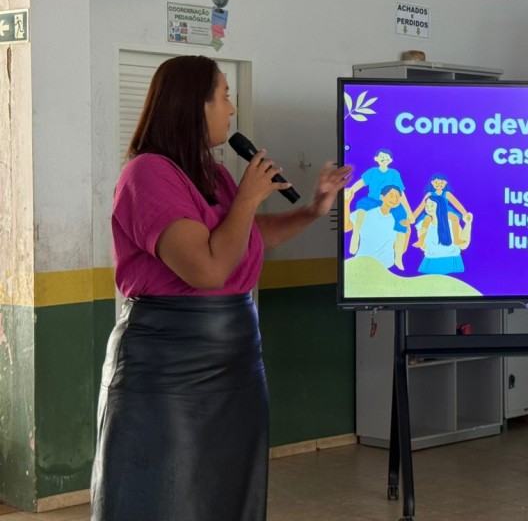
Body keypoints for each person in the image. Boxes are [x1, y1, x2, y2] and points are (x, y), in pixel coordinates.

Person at [91, 55, 353, 521]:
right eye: (224, 96)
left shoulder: (214, 175)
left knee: (229, 496)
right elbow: (209, 269)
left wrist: (313, 209)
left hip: (236, 361)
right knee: (162, 497)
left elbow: (244, 238)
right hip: (168, 369)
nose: (232, 110)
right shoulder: (147, 174)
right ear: (193, 104)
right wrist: (249, 198)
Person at [344, 149, 413, 269]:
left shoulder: (394, 174)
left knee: (402, 222)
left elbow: (400, 193)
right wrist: (351, 191)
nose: (384, 159)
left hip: (391, 203)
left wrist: (409, 212)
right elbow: (360, 183)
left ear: (391, 160)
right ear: (376, 159)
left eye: (387, 158)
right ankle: (355, 235)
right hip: (372, 200)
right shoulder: (372, 172)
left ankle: (398, 257)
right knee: (361, 208)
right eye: (382, 157)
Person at [416, 197, 473, 274]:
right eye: (427, 205)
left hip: (453, 262)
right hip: (431, 263)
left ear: (441, 205)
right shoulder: (422, 225)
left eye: (432, 205)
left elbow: (463, 245)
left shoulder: (452, 222)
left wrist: (468, 224)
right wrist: (421, 234)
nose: (428, 208)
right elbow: (423, 247)